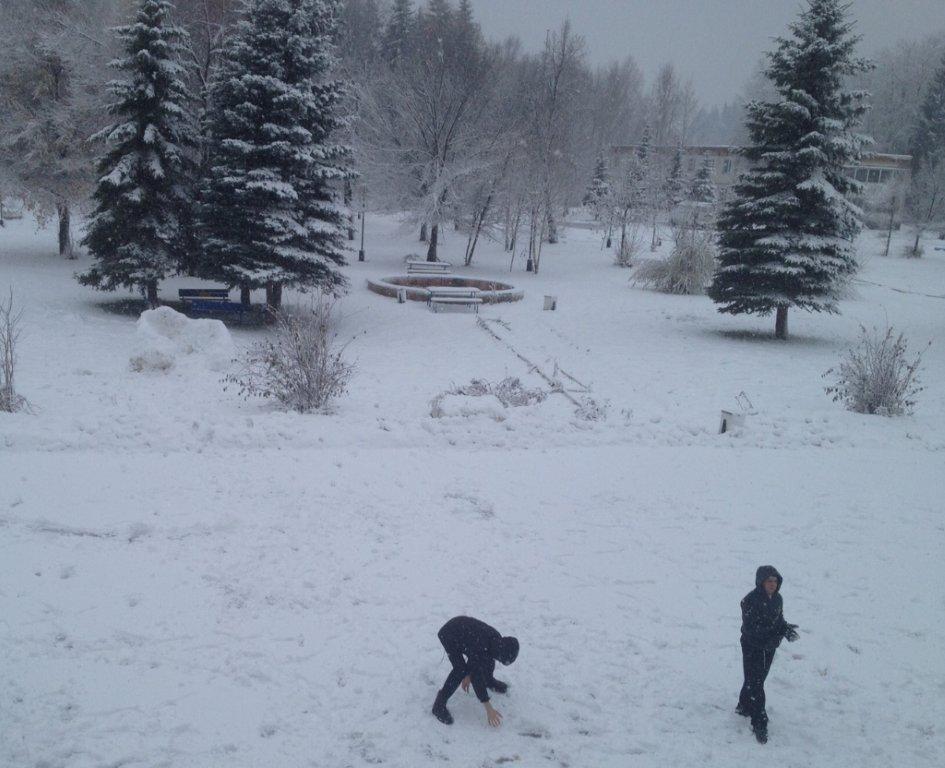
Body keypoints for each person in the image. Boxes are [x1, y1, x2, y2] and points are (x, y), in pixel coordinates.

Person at [736, 565, 799, 743]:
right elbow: (750, 628)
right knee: (756, 682)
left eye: (775, 581)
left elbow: (778, 620)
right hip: (752, 646)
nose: (772, 584)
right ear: (761, 582)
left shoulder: (778, 599)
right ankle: (759, 722)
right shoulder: (749, 600)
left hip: (769, 647)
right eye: (769, 581)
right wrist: (770, 638)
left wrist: (785, 629)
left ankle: (743, 706)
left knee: (756, 679)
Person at [432, 616, 519, 727]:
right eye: (503, 661)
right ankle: (438, 705)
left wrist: (471, 673)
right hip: (449, 635)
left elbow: (477, 657)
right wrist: (488, 708)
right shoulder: (482, 647)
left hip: (465, 634)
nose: (502, 662)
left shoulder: (496, 640)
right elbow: (476, 678)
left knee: (487, 660)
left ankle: (489, 681)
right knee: (460, 670)